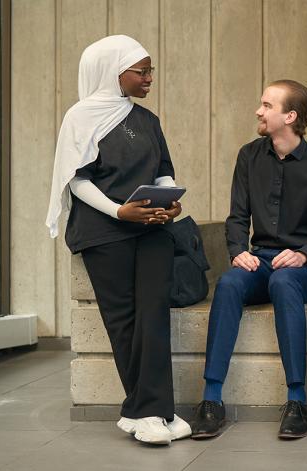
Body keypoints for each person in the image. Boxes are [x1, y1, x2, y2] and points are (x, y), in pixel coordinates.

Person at [45, 35, 189, 445]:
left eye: (150, 71)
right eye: (141, 72)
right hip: (103, 231)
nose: (149, 79)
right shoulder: (80, 117)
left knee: (154, 315)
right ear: (114, 72)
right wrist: (119, 211)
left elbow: (163, 169)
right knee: (124, 322)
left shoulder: (148, 120)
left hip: (152, 228)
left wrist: (169, 198)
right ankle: (152, 412)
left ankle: (148, 411)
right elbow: (76, 179)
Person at [189, 80, 307, 440]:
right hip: (260, 260)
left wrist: (304, 253)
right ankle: (211, 400)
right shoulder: (249, 156)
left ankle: (297, 401)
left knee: (283, 281)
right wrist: (238, 250)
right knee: (227, 284)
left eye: (266, 105)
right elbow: (237, 216)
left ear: (289, 116)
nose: (259, 111)